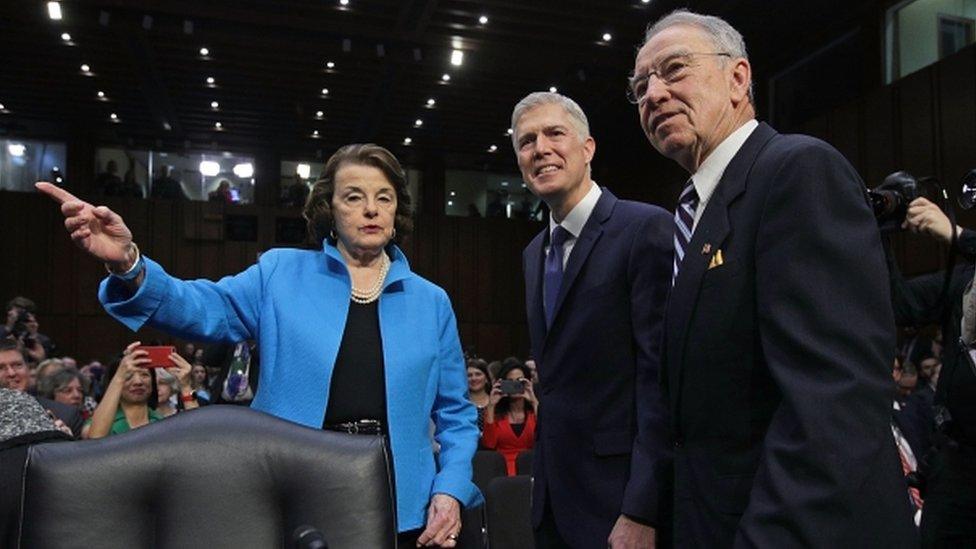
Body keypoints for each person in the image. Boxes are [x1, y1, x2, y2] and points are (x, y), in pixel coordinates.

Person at [37, 142, 480, 547]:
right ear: (329, 208)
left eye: (384, 197)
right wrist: (130, 263)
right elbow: (200, 307)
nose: (371, 209)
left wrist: (450, 488)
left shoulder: (432, 301)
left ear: (397, 208)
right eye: (353, 197)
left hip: (404, 501)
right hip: (294, 490)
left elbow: (456, 415)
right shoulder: (279, 273)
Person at [631, 9, 916, 546]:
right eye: (641, 85)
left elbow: (833, 404)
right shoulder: (694, 213)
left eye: (673, 70)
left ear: (738, 78)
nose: (653, 93)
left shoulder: (798, 170)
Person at [511, 91, 672, 548]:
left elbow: (659, 382)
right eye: (526, 141)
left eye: (554, 133)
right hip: (554, 504)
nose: (540, 148)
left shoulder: (644, 228)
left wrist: (643, 507)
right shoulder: (531, 255)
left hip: (621, 502)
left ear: (588, 149)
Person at [903, 196, 976, 546]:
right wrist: (878, 235)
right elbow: (897, 302)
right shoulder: (962, 280)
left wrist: (957, 235)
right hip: (958, 464)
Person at [0, 338, 81, 437]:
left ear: (28, 368)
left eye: (18, 365)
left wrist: (65, 443)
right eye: (1, 368)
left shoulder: (66, 415)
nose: (11, 373)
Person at [480, 360, 537, 476]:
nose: (515, 385)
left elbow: (546, 437)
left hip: (533, 468)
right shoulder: (495, 413)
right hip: (503, 472)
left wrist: (534, 401)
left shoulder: (534, 411)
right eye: (510, 382)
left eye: (519, 381)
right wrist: (491, 405)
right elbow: (489, 444)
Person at [465, 358, 491, 433]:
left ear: (486, 378)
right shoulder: (461, 403)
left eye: (478, 374)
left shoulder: (495, 402)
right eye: (469, 375)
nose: (474, 378)